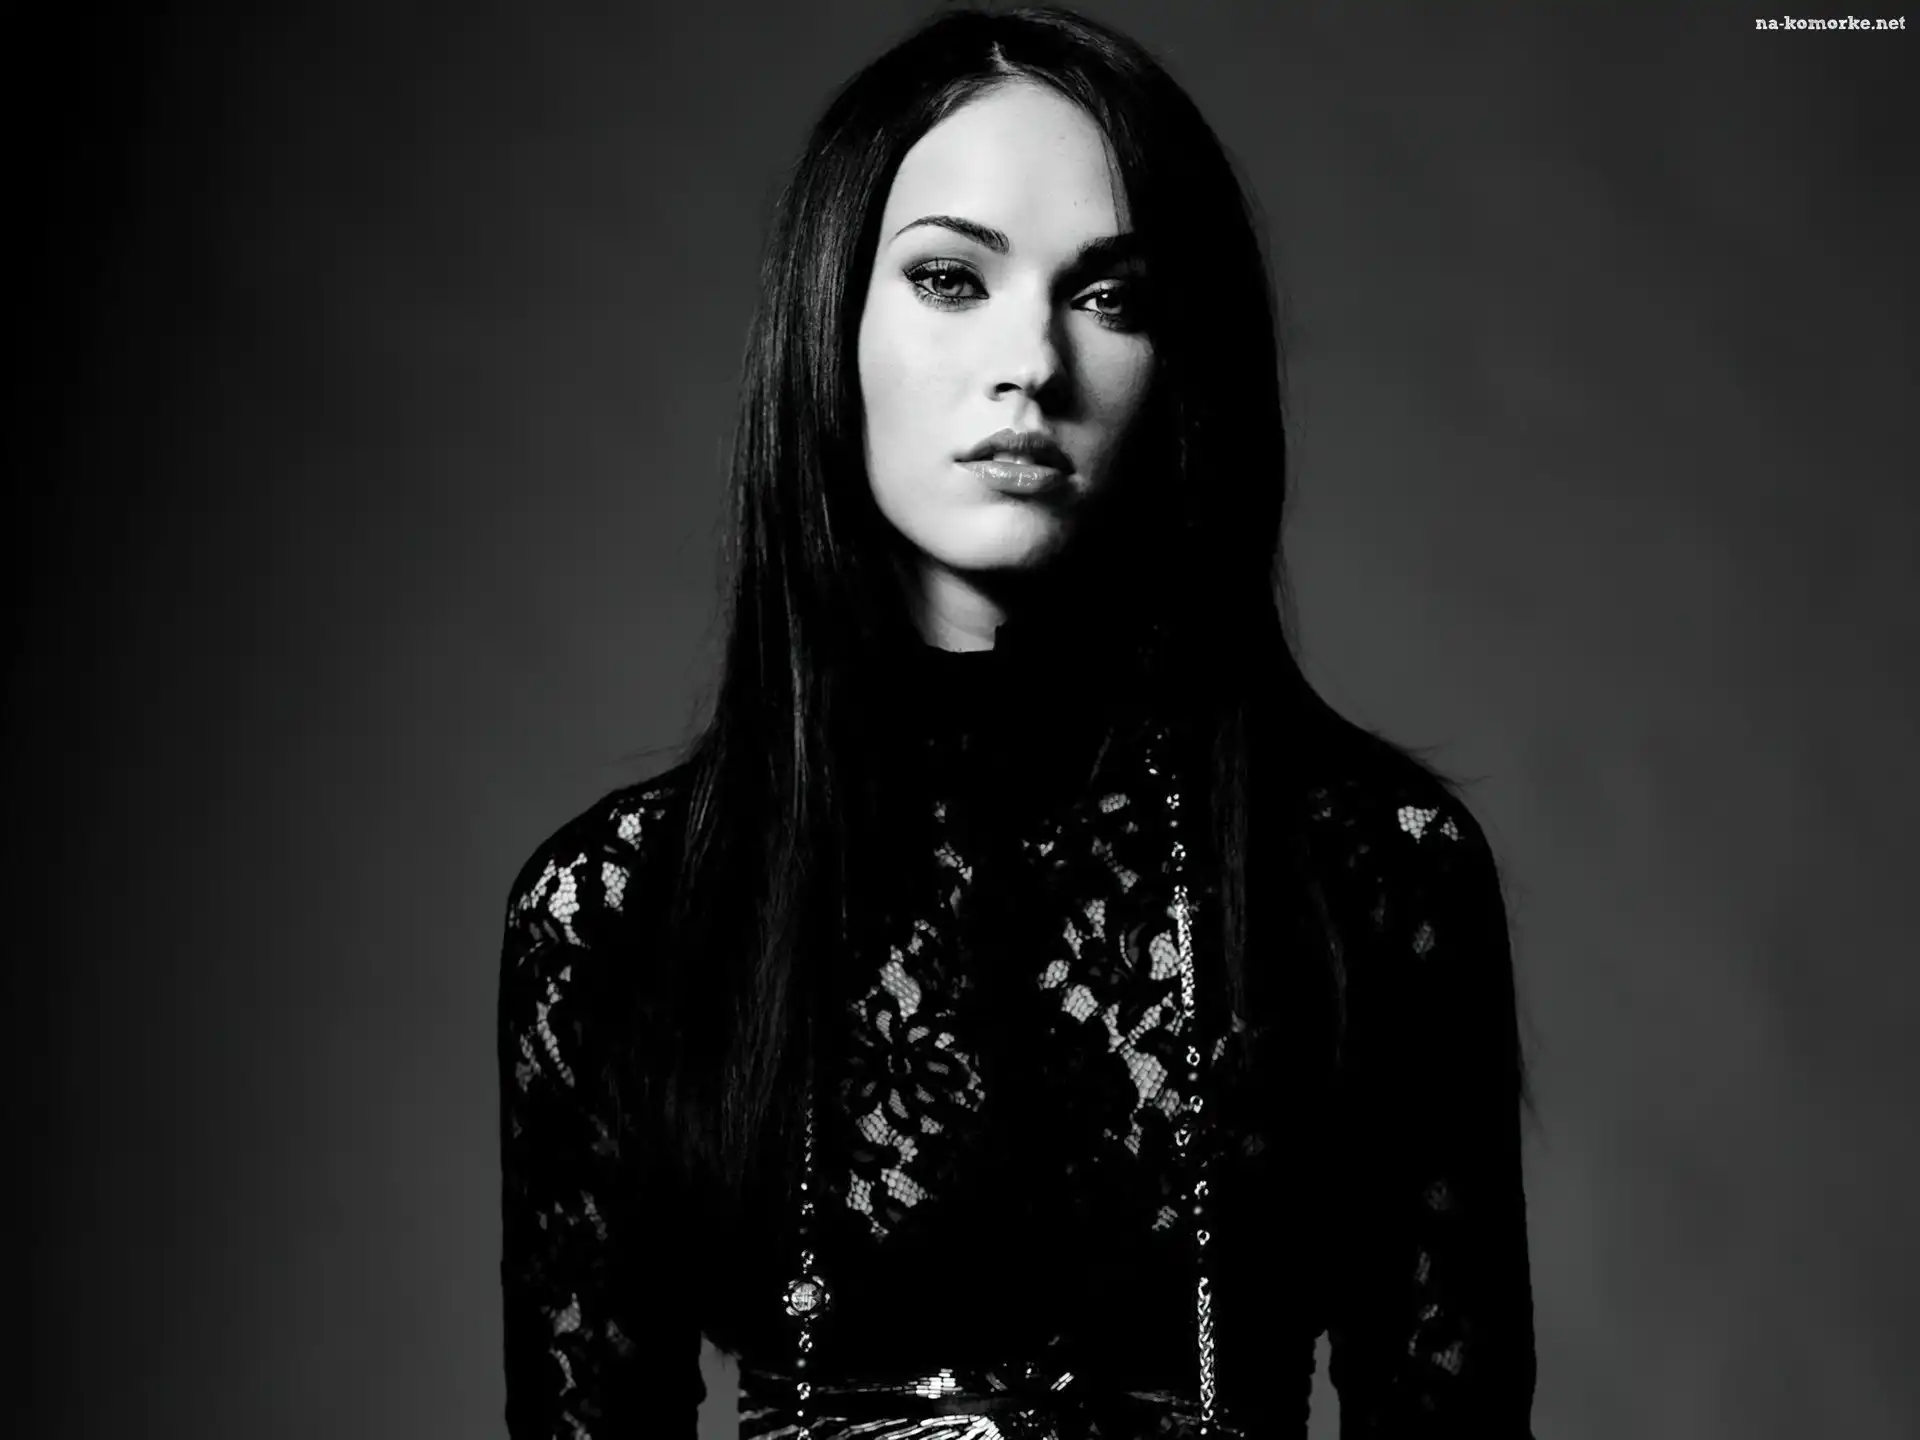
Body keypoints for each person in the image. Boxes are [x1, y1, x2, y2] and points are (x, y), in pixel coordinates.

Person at [496, 6, 1540, 1437]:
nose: (1031, 363)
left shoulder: (1372, 872)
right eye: (949, 278)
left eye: (1112, 298)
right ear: (830, 327)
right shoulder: (626, 909)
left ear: (1188, 368)